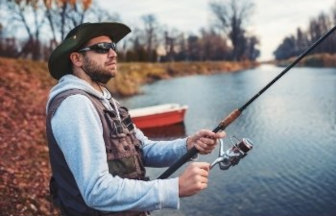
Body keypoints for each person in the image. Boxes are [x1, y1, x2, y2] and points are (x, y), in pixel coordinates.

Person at [46, 22, 225, 216]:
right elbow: (96, 191)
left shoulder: (106, 100)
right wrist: (174, 188)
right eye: (102, 48)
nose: (113, 54)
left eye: (113, 47)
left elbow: (143, 149)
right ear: (77, 59)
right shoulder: (75, 105)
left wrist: (189, 145)